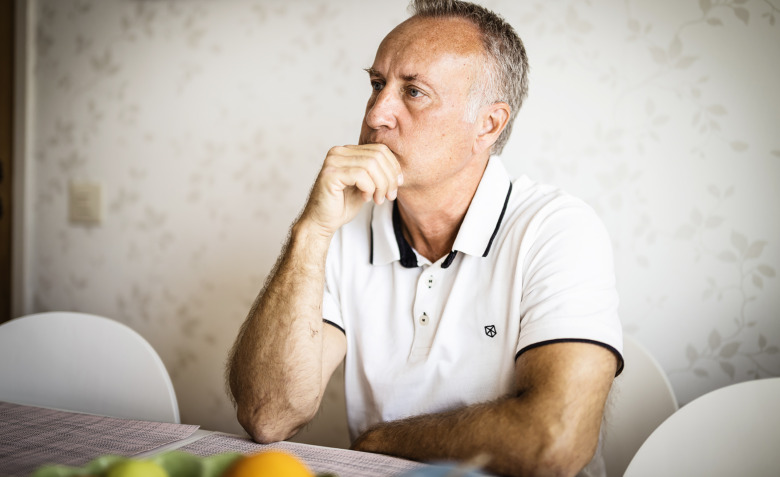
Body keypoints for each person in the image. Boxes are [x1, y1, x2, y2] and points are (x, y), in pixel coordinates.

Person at [227, 1, 623, 475]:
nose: (377, 114)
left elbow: (553, 443)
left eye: (413, 91)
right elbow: (269, 416)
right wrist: (310, 232)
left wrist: (378, 441)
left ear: (489, 125)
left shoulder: (556, 230)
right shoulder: (344, 228)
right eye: (377, 85)